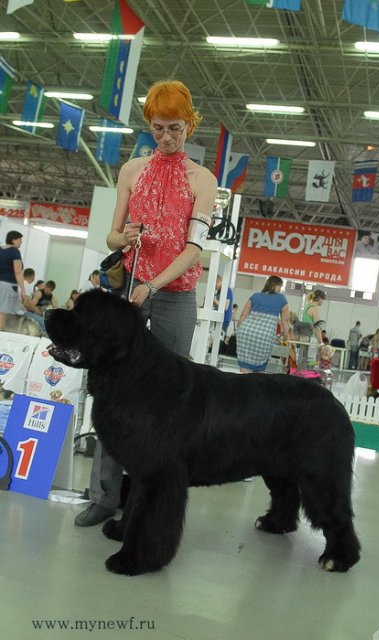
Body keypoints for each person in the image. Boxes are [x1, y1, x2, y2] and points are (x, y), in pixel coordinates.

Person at [74, 79, 218, 527]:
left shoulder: (204, 180)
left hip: (173, 293)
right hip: (128, 289)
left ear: (190, 125)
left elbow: (195, 249)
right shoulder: (131, 171)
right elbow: (112, 235)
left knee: (172, 399)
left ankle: (151, 496)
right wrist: (125, 236)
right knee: (111, 390)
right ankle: (104, 494)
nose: (166, 136)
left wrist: (153, 284)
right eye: (158, 128)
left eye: (175, 127)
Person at [236, 275, 290, 373]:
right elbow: (285, 320)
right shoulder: (281, 299)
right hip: (264, 336)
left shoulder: (255, 296)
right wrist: (286, 337)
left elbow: (243, 315)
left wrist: (239, 329)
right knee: (259, 368)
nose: (280, 289)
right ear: (275, 285)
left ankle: (243, 386)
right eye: (280, 287)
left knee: (245, 366)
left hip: (246, 332)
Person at [0, 230, 26, 330]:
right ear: (14, 240)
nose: (21, 242)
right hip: (7, 285)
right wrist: (23, 290)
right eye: (20, 239)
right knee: (2, 312)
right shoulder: (14, 251)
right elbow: (18, 272)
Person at [22, 267, 46, 333]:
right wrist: (37, 310)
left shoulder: (19, 283)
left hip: (14, 310)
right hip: (20, 311)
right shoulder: (27, 285)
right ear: (33, 276)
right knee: (44, 322)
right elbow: (26, 304)